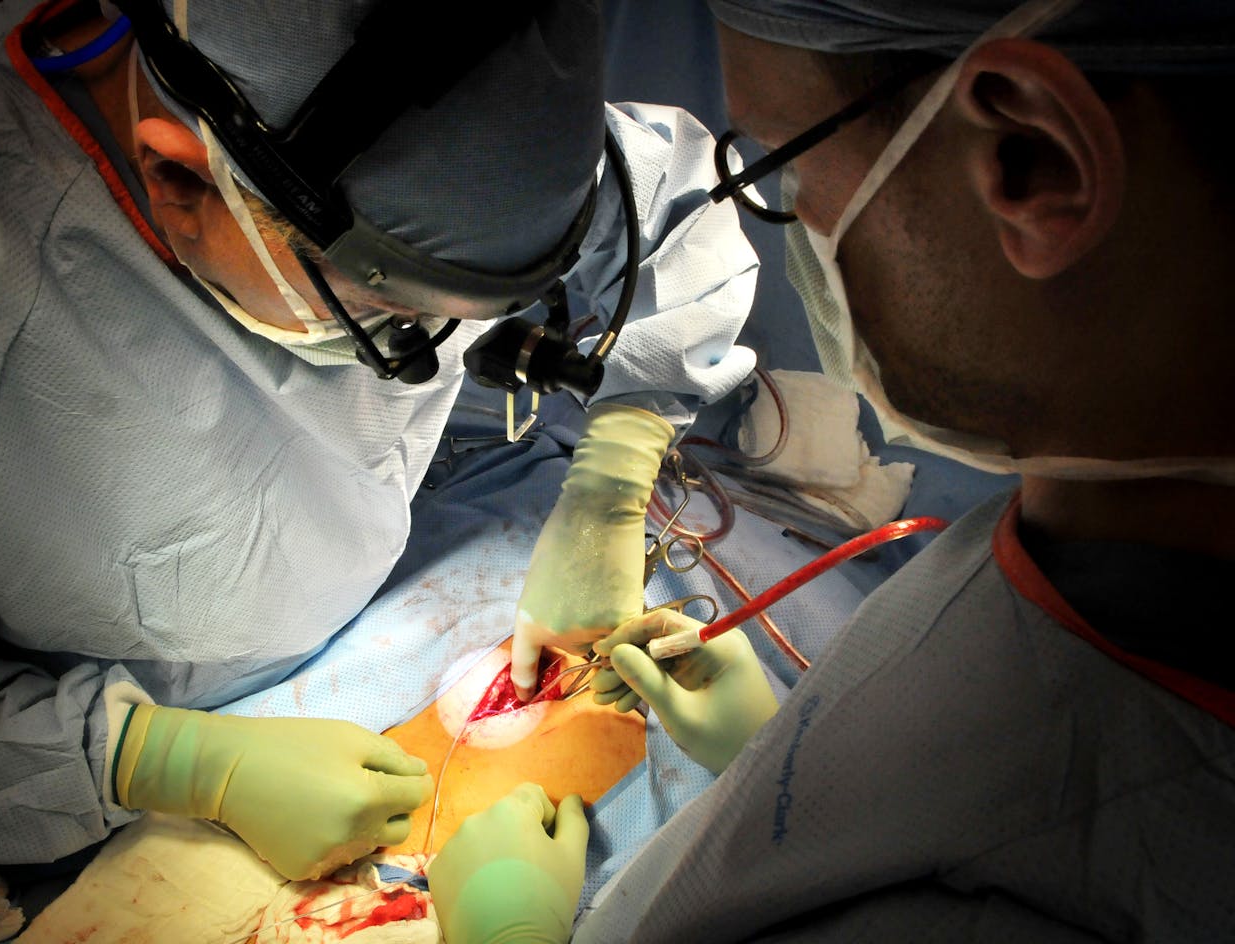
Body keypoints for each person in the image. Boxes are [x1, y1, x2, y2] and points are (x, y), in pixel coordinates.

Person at [0, 0, 762, 887]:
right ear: (180, 181)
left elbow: (675, 210)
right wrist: (162, 763)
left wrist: (613, 476)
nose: (429, 357)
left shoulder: (462, 106)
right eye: (391, 311)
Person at [428, 0, 1235, 941]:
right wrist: (774, 759)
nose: (790, 221)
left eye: (785, 169)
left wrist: (506, 928)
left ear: (1032, 160)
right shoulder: (1103, 534)